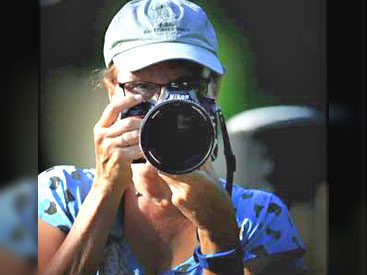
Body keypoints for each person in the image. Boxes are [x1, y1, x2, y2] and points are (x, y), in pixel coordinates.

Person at [38, 0, 307, 274]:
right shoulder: (62, 196)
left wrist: (220, 235)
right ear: (111, 90)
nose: (164, 104)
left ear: (214, 89)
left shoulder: (257, 218)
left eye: (185, 85)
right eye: (142, 86)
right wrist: (104, 191)